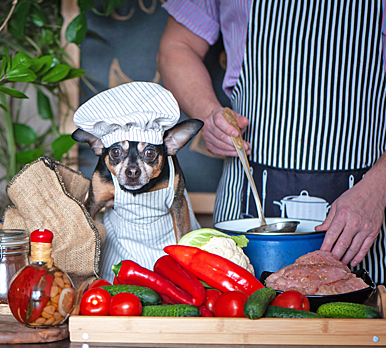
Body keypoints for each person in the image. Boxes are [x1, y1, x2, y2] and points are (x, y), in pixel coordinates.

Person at [157, 0, 386, 284]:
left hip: (368, 198)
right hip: (247, 192)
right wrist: (207, 113)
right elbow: (177, 47)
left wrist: (379, 186)